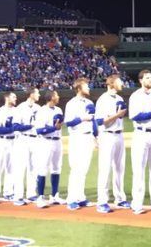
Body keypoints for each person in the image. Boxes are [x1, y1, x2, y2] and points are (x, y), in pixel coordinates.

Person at [128, 69, 151, 214]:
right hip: (141, 135)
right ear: (141, 80)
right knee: (139, 170)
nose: (150, 80)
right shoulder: (135, 96)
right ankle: (136, 204)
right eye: (147, 78)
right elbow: (134, 116)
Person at [95, 73, 129, 213]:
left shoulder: (120, 98)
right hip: (107, 136)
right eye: (119, 82)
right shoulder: (103, 99)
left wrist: (119, 115)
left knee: (120, 168)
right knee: (105, 169)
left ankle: (120, 198)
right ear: (111, 84)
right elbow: (100, 121)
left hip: (119, 134)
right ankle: (102, 201)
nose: (122, 84)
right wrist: (117, 115)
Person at [64, 78, 98, 209]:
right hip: (77, 137)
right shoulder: (71, 104)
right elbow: (69, 122)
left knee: (84, 169)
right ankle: (71, 199)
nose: (89, 88)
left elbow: (93, 121)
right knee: (76, 168)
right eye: (86, 86)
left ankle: (80, 197)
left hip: (88, 137)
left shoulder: (89, 102)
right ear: (79, 88)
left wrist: (96, 136)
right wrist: (82, 118)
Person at [33, 88, 64, 207]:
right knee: (43, 168)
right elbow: (39, 130)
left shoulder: (59, 109)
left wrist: (57, 127)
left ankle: (55, 195)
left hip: (57, 141)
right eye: (56, 95)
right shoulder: (42, 111)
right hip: (45, 142)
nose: (58, 97)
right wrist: (53, 128)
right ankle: (40, 197)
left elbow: (59, 126)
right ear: (51, 97)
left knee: (56, 168)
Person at [10, 89, 40, 205]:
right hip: (23, 139)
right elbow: (15, 126)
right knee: (20, 167)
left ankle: (31, 194)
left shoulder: (38, 108)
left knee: (34, 168)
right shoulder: (21, 108)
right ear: (31, 94)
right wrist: (29, 126)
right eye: (37, 93)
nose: (39, 95)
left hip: (35, 139)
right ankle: (18, 196)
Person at [0, 92, 18, 204]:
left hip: (14, 141)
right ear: (7, 98)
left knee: (11, 169)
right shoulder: (0, 112)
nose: (15, 98)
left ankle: (8, 192)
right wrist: (12, 129)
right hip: (2, 142)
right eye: (13, 97)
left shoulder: (17, 111)